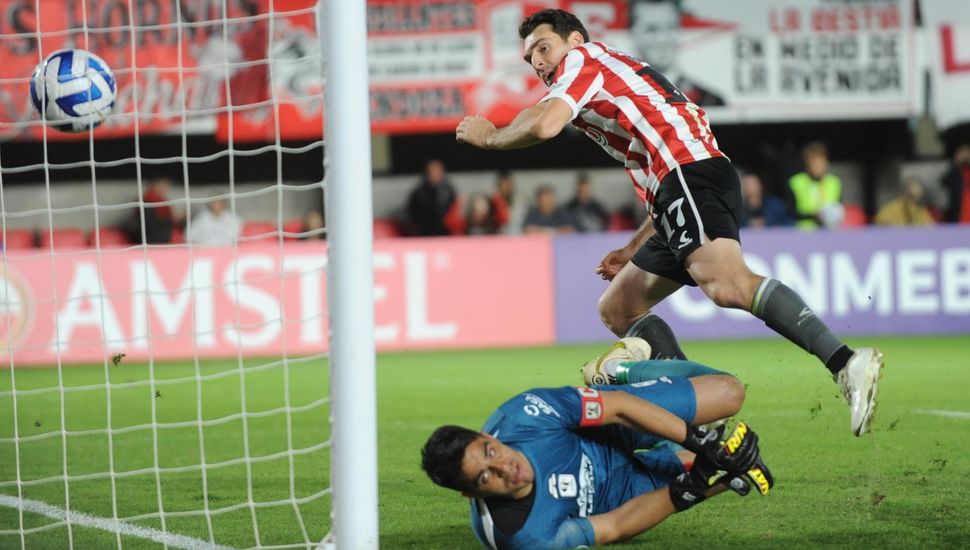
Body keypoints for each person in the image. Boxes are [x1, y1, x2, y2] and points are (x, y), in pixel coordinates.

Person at [454, 8, 883, 436]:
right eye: (531, 60)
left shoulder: (584, 62)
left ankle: (845, 362)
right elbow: (651, 170)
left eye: (543, 49)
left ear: (575, 41)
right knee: (619, 308)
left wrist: (490, 137)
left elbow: (544, 123)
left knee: (727, 283)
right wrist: (632, 248)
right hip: (678, 187)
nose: (539, 63)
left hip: (689, 176)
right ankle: (696, 406)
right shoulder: (603, 77)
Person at [421, 339, 772, 550]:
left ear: (487, 437)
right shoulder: (522, 537)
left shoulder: (526, 416)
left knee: (728, 392)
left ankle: (619, 368)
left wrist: (695, 439)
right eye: (485, 478)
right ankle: (683, 457)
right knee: (708, 469)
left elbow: (618, 407)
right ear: (472, 494)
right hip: (611, 495)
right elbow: (614, 526)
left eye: (491, 452)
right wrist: (709, 484)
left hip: (610, 427)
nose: (504, 467)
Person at [628, 0, 725, 107]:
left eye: (670, 27)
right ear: (632, 34)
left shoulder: (710, 100)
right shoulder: (620, 98)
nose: (662, 39)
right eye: (651, 29)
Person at [787, 142, 844, 230]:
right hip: (804, 234)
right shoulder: (795, 182)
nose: (818, 166)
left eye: (821, 162)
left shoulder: (834, 182)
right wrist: (813, 216)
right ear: (807, 164)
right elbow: (790, 212)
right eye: (814, 162)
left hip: (830, 233)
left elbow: (839, 208)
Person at [407, 158, 459, 236]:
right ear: (427, 172)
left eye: (438, 170)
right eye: (432, 170)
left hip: (446, 232)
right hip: (424, 233)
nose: (435, 173)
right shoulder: (418, 193)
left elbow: (453, 213)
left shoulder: (448, 190)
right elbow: (414, 215)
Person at [125, 177, 183, 244]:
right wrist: (170, 219)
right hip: (150, 238)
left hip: (161, 235)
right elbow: (148, 222)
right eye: (163, 186)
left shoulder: (163, 202)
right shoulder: (145, 200)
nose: (165, 189)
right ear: (155, 185)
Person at [941, 143, 970, 224]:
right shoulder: (953, 175)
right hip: (956, 223)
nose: (965, 156)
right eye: (961, 153)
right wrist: (956, 163)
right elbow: (944, 181)